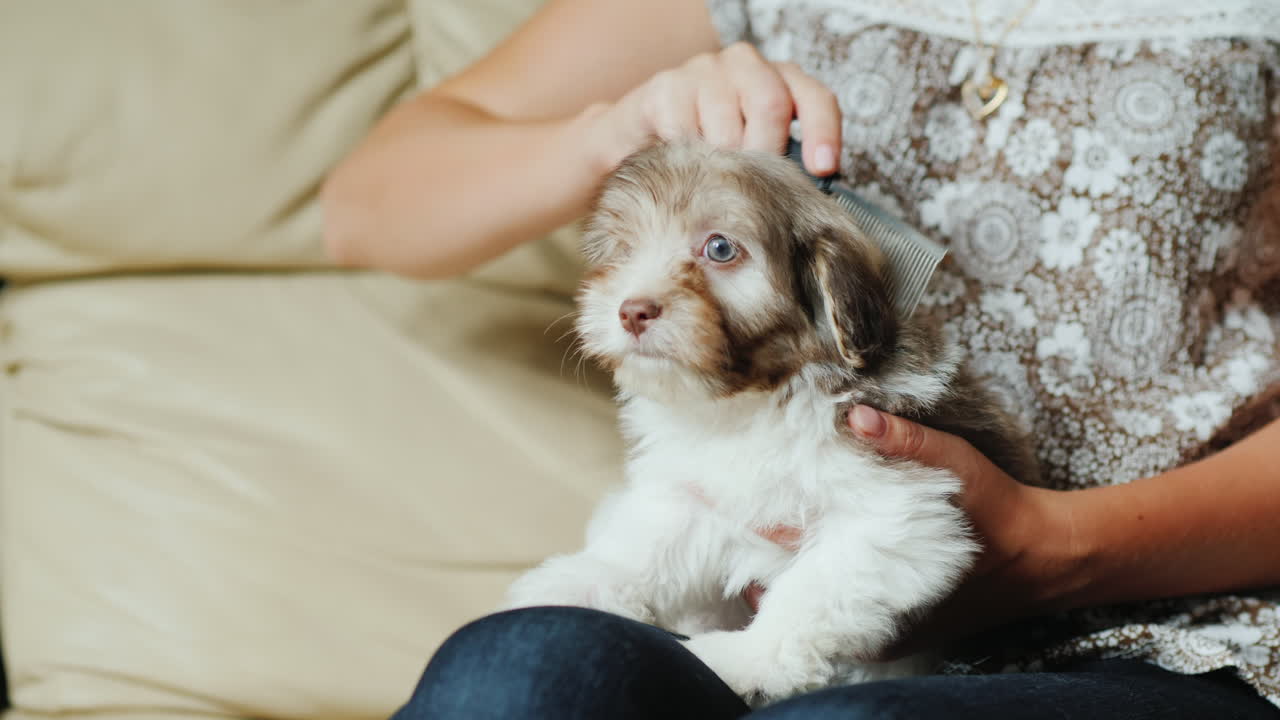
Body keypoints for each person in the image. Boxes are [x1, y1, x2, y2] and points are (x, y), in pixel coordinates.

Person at [322, 0, 1280, 716]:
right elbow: (363, 208)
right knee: (515, 673)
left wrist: (1058, 548)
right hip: (742, 602)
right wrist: (619, 130)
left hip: (1168, 631)